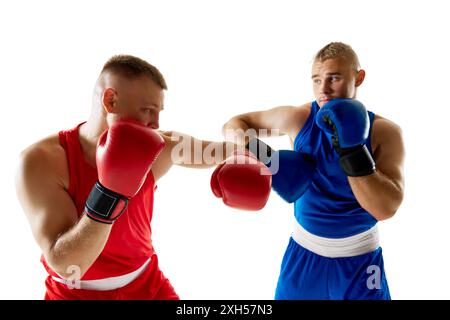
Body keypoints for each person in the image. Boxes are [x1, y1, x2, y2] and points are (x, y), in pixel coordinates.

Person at [15, 55, 271, 300]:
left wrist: (271, 159)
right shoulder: (42, 161)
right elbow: (70, 264)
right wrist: (110, 193)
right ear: (110, 101)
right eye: (148, 110)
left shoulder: (160, 147)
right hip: (74, 292)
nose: (156, 123)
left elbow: (219, 150)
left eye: (159, 112)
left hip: (147, 285)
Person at [220, 42, 405, 300]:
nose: (324, 89)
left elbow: (386, 208)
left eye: (334, 78)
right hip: (303, 255)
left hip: (361, 261)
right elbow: (233, 124)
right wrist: (265, 156)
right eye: (316, 80)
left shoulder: (385, 131)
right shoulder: (298, 118)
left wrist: (352, 153)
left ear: (359, 77)